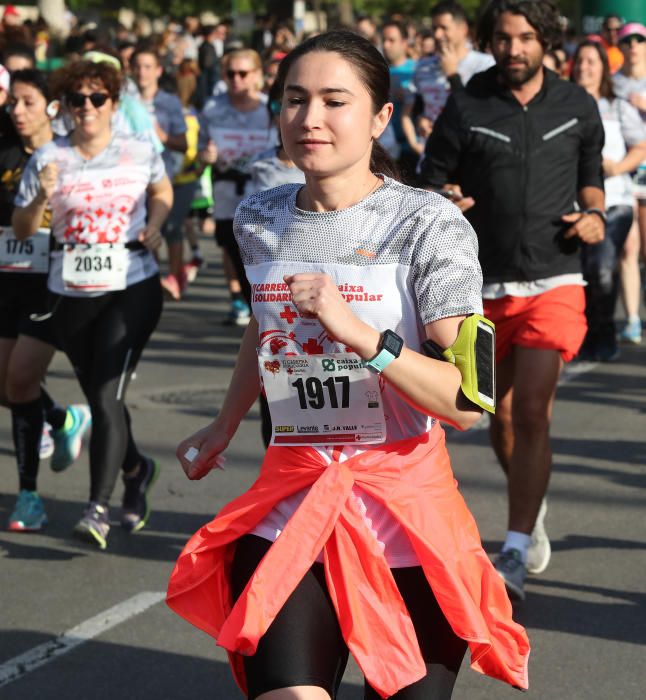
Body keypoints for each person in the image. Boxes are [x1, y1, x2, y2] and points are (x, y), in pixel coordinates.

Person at [167, 30, 529, 700]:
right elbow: (265, 326)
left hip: (406, 520)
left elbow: (463, 405)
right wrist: (225, 422)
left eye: (335, 101)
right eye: (294, 100)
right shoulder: (259, 217)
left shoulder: (428, 224)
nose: (310, 119)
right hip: (295, 506)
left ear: (380, 116)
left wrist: (363, 336)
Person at [420, 0, 605, 601]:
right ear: (489, 41)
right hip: (482, 284)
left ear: (545, 41)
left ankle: (516, 548)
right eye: (502, 38)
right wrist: (445, 193)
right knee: (494, 417)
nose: (514, 49)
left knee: (531, 412)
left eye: (526, 37)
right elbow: (433, 173)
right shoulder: (468, 102)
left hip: (554, 279)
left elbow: (591, 173)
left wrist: (596, 215)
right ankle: (533, 499)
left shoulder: (576, 104)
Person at [12, 60, 173, 550]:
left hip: (132, 286)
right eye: (77, 99)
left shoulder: (138, 149)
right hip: (70, 292)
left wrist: (158, 222)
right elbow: (22, 229)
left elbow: (162, 190)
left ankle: (97, 509)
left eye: (97, 98)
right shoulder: (48, 156)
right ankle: (137, 468)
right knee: (106, 397)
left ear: (113, 103)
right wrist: (41, 193)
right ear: (65, 105)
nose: (87, 108)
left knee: (105, 396)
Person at [1, 69, 91, 532]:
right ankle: (62, 416)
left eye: (28, 102)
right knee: (6, 385)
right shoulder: (6, 149)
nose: (17, 111)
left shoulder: (66, 152)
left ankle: (29, 497)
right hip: (5, 277)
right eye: (12, 102)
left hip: (49, 282)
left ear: (50, 106)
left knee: (19, 380)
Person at [572, 40, 646, 361]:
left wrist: (616, 167)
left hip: (614, 201)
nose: (584, 67)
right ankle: (585, 334)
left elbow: (640, 146)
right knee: (580, 272)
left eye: (592, 61)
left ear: (603, 67)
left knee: (601, 267)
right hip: (570, 205)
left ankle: (605, 333)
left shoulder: (616, 104)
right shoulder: (563, 104)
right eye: (580, 61)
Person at [198, 48, 273, 325]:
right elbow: (198, 153)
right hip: (228, 192)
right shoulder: (213, 109)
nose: (237, 79)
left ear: (257, 76)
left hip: (266, 194)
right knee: (233, 248)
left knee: (263, 253)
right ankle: (244, 300)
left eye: (244, 73)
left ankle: (264, 308)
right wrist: (205, 157)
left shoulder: (270, 108)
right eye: (231, 74)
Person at [132, 45, 188, 301]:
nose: (142, 72)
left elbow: (183, 143)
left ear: (158, 70)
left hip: (163, 177)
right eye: (138, 66)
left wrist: (161, 136)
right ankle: (151, 280)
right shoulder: (124, 103)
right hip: (133, 179)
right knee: (144, 231)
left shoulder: (169, 101)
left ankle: (174, 279)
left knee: (172, 229)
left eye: (147, 67)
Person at [401, 1, 493, 155]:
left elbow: (485, 113)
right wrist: (418, 131)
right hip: (431, 157)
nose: (437, 35)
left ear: (463, 29)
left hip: (471, 157)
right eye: (435, 28)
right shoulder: (422, 66)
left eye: (444, 28)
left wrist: (452, 73)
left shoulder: (485, 65)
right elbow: (414, 110)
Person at [613, 22, 646, 344]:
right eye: (627, 40)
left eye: (640, 39)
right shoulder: (614, 84)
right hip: (624, 173)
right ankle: (633, 318)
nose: (634, 45)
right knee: (629, 246)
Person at [381, 20, 419, 183]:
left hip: (415, 148)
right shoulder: (377, 72)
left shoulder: (418, 70)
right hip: (386, 150)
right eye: (384, 40)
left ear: (404, 43)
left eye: (392, 40)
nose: (386, 45)